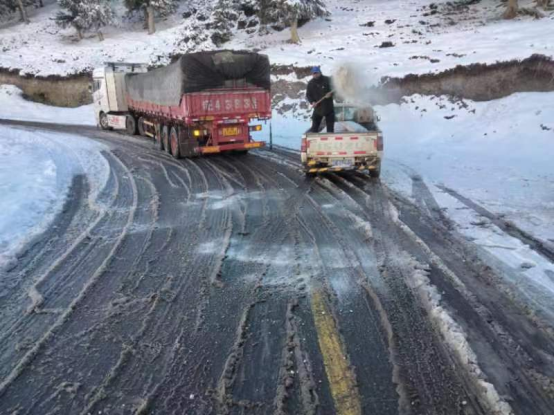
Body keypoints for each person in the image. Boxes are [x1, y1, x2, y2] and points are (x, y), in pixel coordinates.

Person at [306, 67, 335, 133]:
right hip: (318, 109)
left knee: (330, 130)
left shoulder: (327, 80)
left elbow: (334, 89)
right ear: (312, 74)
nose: (315, 74)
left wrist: (330, 94)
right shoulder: (310, 83)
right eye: (314, 73)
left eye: (317, 73)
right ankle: (314, 138)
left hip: (329, 108)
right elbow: (308, 95)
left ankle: (330, 138)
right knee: (314, 128)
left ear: (320, 72)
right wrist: (312, 102)